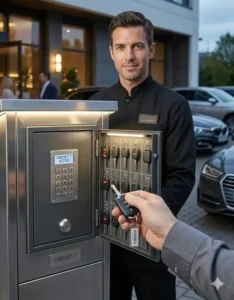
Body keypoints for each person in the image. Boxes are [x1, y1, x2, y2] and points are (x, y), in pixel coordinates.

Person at [89, 11, 196, 300]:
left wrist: (150, 219)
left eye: (137, 46)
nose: (130, 56)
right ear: (111, 52)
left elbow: (182, 175)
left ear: (151, 49)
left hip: (152, 243)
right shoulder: (96, 104)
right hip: (104, 242)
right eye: (121, 47)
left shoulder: (174, 105)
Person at [112, 190, 234, 300]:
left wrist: (166, 220)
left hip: (154, 255)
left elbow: (182, 176)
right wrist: (168, 233)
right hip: (118, 249)